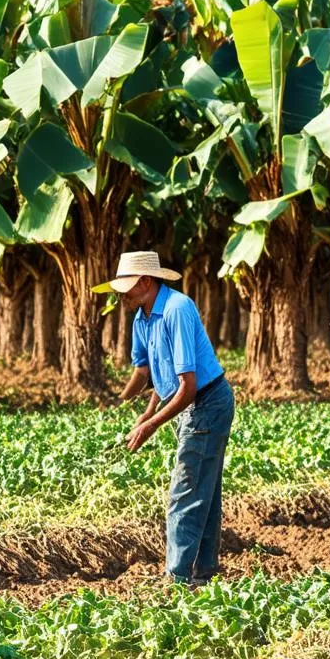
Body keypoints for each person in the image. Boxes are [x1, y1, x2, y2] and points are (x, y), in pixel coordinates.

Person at [94, 251, 234, 585]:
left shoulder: (177, 309)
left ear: (145, 281)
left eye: (126, 287)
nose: (121, 295)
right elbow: (151, 370)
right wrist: (141, 407)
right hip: (190, 403)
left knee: (185, 491)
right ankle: (203, 571)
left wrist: (151, 424)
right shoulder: (142, 317)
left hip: (208, 402)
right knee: (206, 489)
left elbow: (188, 386)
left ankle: (178, 577)